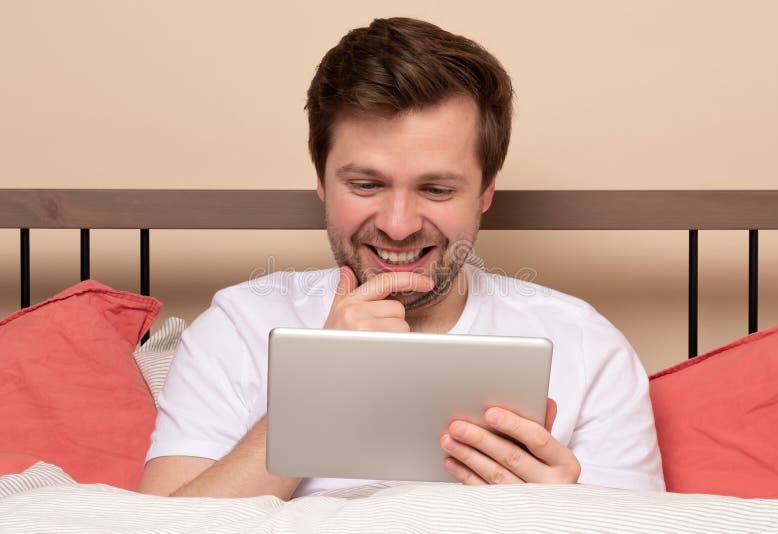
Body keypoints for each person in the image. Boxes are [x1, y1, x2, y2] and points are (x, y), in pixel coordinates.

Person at [137, 17, 664, 499]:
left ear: (485, 193)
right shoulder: (237, 326)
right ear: (321, 180)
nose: (397, 224)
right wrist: (316, 388)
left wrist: (566, 515)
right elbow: (157, 527)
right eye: (367, 184)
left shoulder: (588, 348)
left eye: (436, 189)